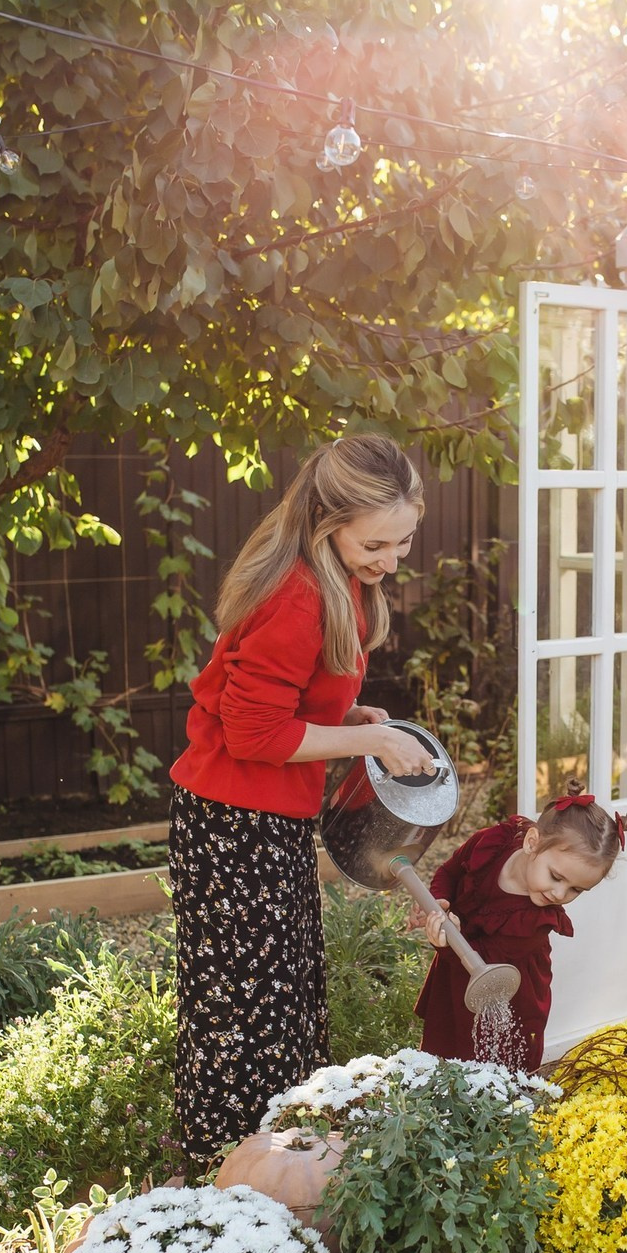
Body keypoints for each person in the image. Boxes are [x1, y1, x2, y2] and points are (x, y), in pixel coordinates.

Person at [168, 435, 438, 1175]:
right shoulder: (296, 594)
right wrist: (373, 748)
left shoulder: (335, 578)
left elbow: (286, 704)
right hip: (232, 825)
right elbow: (254, 735)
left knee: (280, 995)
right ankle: (231, 1176)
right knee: (244, 1009)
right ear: (327, 523)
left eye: (403, 540)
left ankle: (276, 1165)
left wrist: (352, 724)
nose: (389, 558)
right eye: (374, 543)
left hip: (264, 816)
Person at [411, 786, 627, 1069]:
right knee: (444, 1052)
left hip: (507, 992)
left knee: (491, 1067)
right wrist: (438, 903)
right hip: (456, 975)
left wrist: (444, 939)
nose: (560, 895)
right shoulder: (495, 842)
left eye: (576, 889)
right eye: (556, 877)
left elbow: (479, 961)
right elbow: (451, 871)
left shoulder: (536, 921)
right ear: (532, 843)